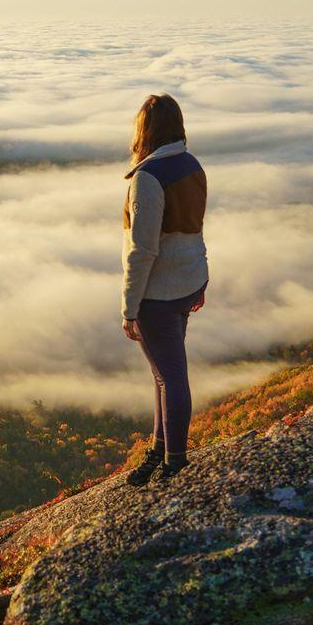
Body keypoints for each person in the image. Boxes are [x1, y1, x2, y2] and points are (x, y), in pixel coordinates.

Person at [121, 92, 208, 486]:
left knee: (170, 375)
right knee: (163, 374)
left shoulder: (148, 179)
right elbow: (193, 231)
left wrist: (129, 306)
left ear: (145, 132)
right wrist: (199, 282)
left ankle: (174, 462)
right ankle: (160, 449)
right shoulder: (191, 165)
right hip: (188, 281)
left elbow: (142, 251)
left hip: (159, 293)